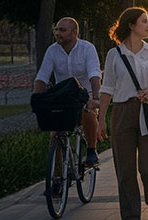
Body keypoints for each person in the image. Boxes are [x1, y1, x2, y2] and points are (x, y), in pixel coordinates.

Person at [98, 7, 148, 220]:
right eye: (144, 22)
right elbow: (107, 87)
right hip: (123, 112)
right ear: (131, 25)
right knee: (125, 169)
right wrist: (101, 119)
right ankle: (131, 219)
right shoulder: (115, 55)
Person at [34, 17, 103, 166]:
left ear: (74, 33)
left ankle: (91, 150)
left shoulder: (87, 48)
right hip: (63, 98)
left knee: (88, 113)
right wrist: (37, 100)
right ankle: (57, 179)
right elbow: (42, 77)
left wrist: (96, 98)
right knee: (55, 136)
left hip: (86, 95)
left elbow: (94, 74)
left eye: (62, 30)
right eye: (56, 30)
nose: (57, 33)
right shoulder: (52, 51)